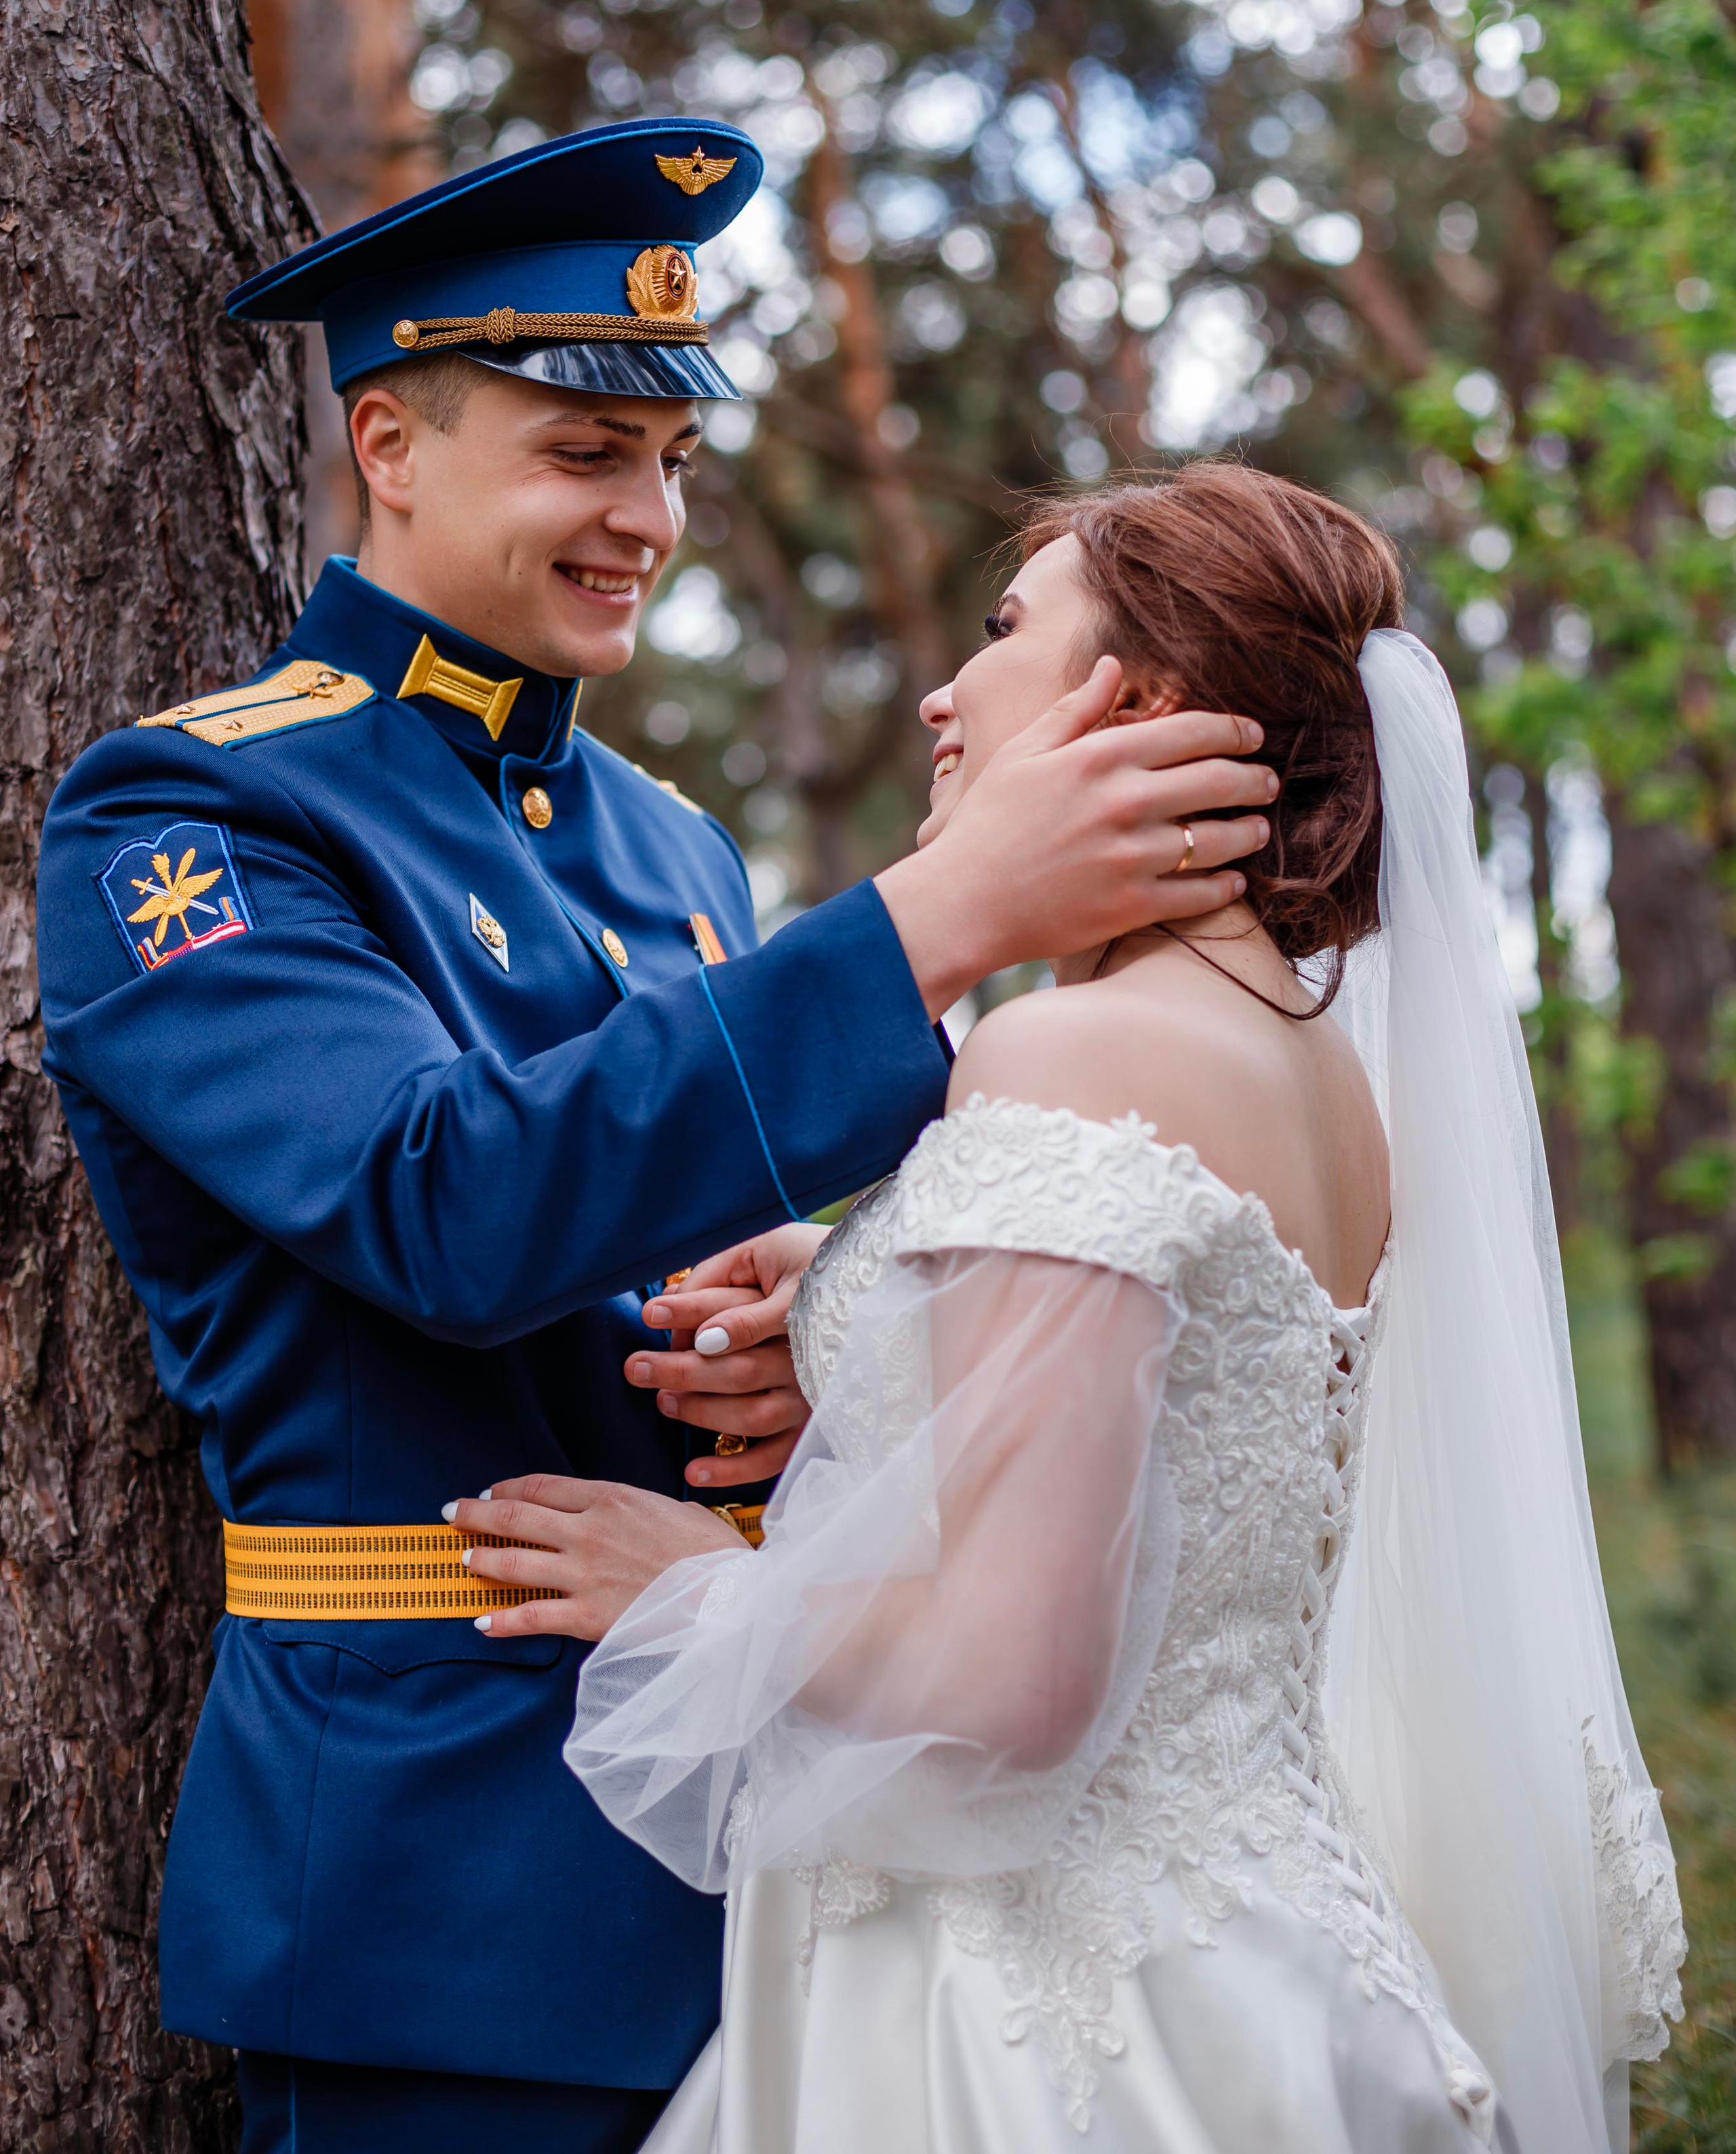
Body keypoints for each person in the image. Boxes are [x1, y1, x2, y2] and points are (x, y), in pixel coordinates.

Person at [33, 119, 1277, 2154]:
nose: (648, 519)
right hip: (441, 1890)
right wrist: (940, 922)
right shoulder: (191, 816)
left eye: (674, 463)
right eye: (583, 452)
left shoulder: (669, 839)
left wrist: (800, 1351)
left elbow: (668, 1224)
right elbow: (442, 1204)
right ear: (389, 443)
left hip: (785, 1851)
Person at [451, 463, 1686, 2154]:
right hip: (1252, 1959)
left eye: (1004, 631)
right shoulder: (1315, 1068)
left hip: (1030, 2027)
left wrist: (689, 1593)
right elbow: (1185, 1417)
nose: (948, 692)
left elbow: (1014, 1678)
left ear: (1144, 707)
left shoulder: (1071, 1050)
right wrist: (867, 1301)